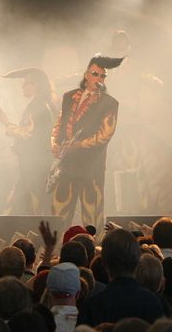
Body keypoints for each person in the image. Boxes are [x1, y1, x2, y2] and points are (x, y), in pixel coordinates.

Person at [51, 54, 123, 228]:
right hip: (67, 164)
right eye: (95, 74)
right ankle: (54, 251)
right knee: (59, 213)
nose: (99, 78)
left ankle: (94, 250)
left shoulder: (109, 103)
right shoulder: (68, 97)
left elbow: (105, 134)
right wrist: (53, 143)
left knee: (92, 215)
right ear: (86, 74)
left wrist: (79, 145)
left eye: (102, 76)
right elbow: (59, 124)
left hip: (91, 166)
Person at [0, 67, 56, 214]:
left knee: (25, 210)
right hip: (31, 169)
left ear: (36, 85)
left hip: (36, 170)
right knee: (18, 208)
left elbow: (26, 134)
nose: (23, 86)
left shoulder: (38, 106)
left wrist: (10, 129)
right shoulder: (37, 105)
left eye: (26, 83)